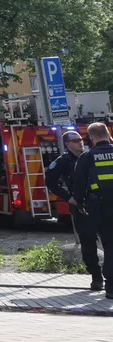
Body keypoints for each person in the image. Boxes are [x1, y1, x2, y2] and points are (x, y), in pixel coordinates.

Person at [45, 130, 98, 289]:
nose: (80, 142)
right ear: (67, 144)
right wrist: (69, 198)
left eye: (81, 139)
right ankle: (96, 277)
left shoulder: (90, 156)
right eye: (75, 140)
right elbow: (51, 182)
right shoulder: (63, 161)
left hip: (99, 203)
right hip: (80, 206)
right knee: (88, 243)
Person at [71, 122, 113, 298]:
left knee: (110, 246)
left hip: (103, 206)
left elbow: (79, 184)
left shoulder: (87, 156)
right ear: (108, 133)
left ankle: (111, 288)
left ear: (93, 138)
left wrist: (77, 202)